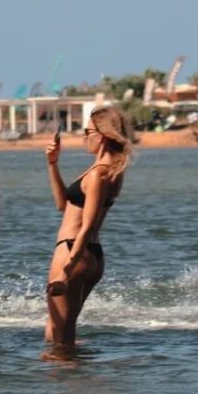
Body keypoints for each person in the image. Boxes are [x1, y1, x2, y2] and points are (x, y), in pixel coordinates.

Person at [44, 106, 132, 347]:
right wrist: (52, 163)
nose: (84, 138)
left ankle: (78, 371)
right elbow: (63, 205)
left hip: (73, 251)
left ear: (102, 136)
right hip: (91, 255)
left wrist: (65, 272)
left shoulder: (98, 174)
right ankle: (84, 367)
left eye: (87, 132)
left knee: (61, 341)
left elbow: (88, 225)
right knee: (55, 333)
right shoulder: (107, 170)